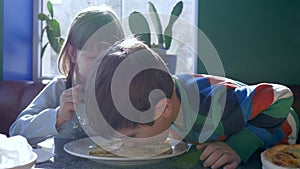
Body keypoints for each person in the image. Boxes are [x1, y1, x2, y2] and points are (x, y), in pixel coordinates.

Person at [85, 37, 299, 169]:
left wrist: (238, 148)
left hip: (279, 133)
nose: (125, 146)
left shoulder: (216, 105)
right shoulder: (163, 93)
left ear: (163, 109)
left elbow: (281, 96)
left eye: (131, 136)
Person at [9, 5, 124, 145]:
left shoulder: (124, 91)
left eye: (109, 59)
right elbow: (17, 131)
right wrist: (58, 116)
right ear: (73, 53)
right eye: (92, 58)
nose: (102, 67)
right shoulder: (60, 88)